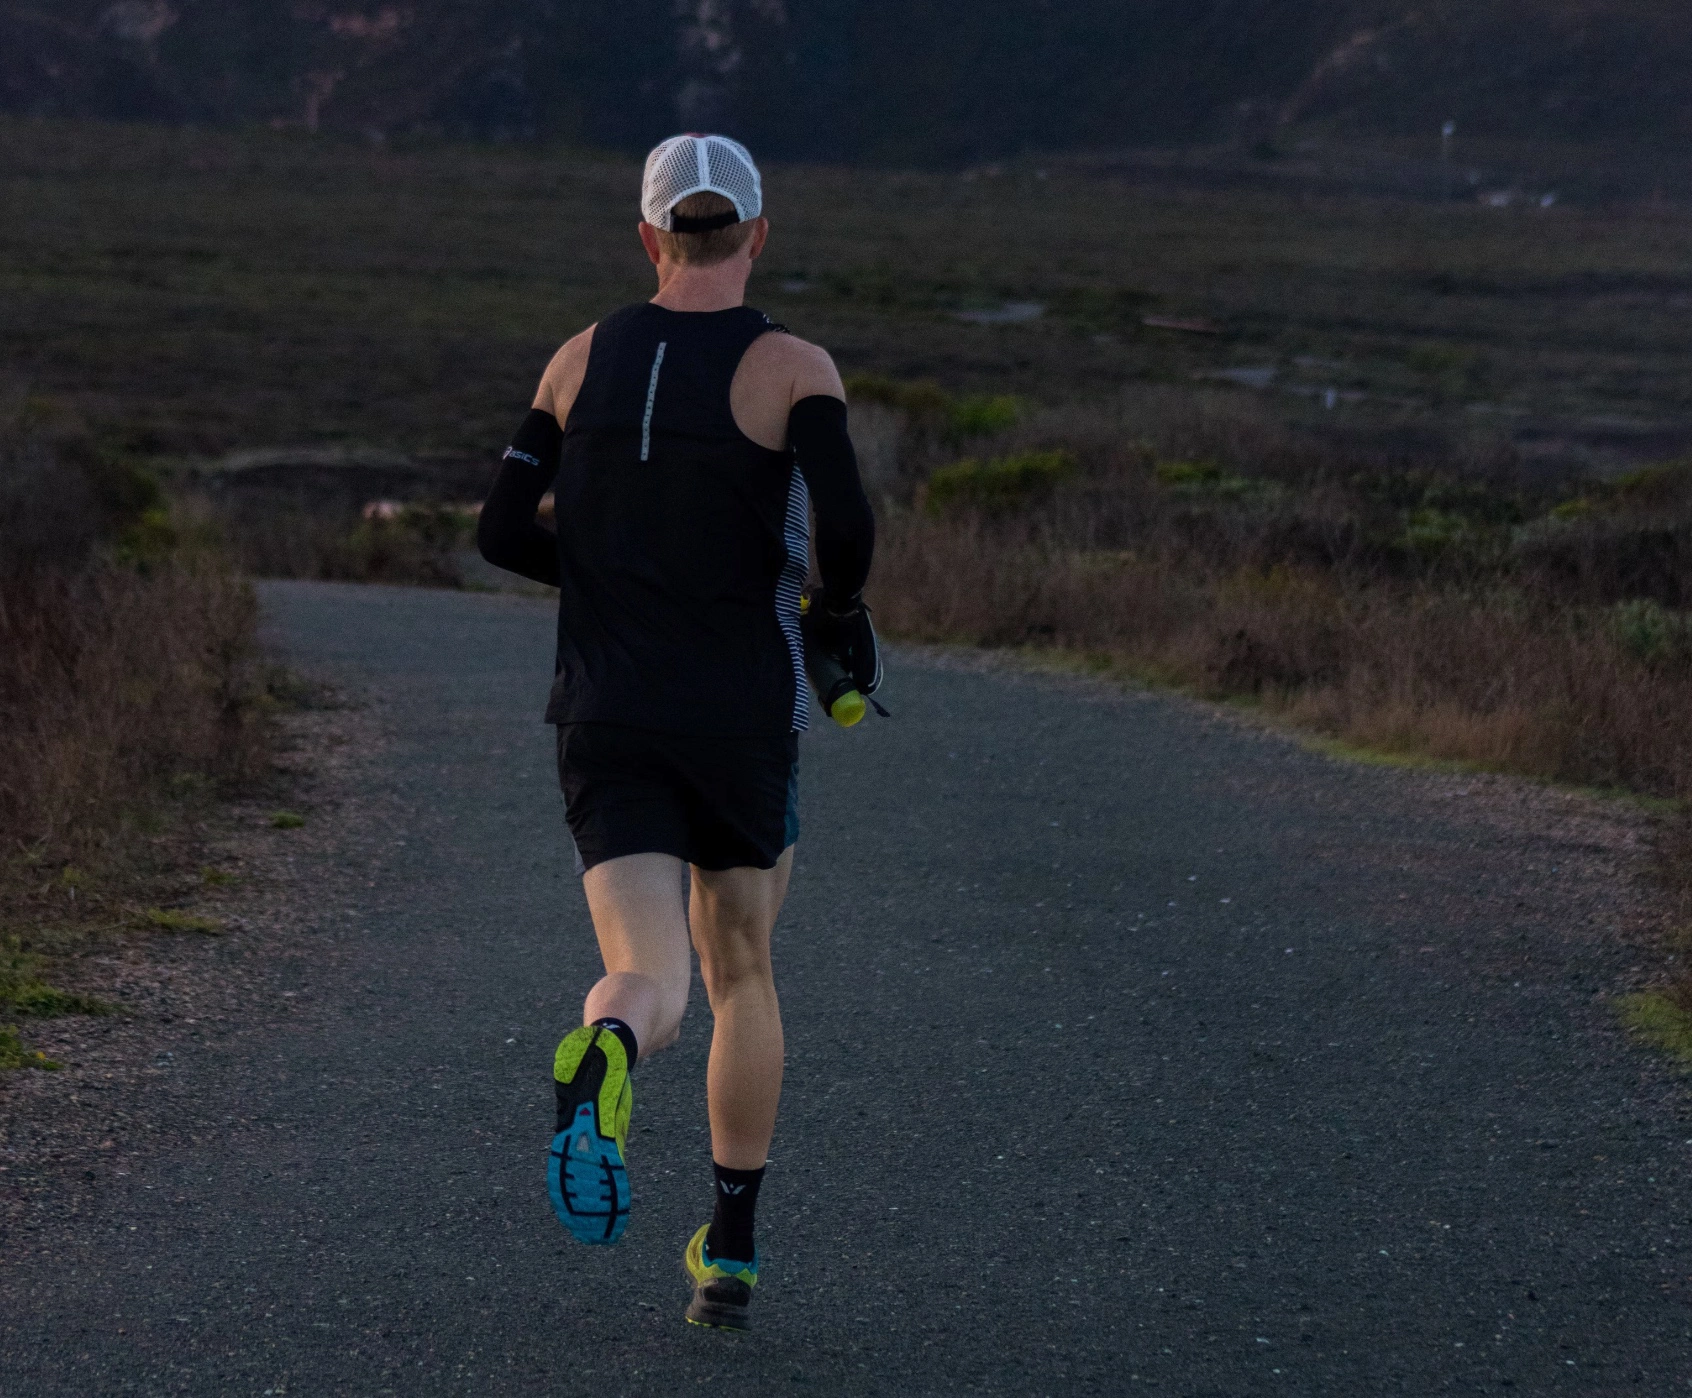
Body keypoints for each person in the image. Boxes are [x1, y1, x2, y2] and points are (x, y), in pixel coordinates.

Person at [476, 133, 879, 1332]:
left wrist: (603, 581)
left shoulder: (576, 358)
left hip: (606, 708)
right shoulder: (794, 367)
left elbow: (500, 530)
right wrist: (834, 611)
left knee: (646, 974)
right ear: (758, 232)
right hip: (741, 712)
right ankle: (732, 1255)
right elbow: (846, 536)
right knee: (741, 968)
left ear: (649, 236)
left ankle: (605, 1052)